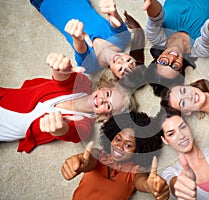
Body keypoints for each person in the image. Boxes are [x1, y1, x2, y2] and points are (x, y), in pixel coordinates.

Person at [0, 53, 135, 153]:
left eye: (108, 105)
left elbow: (70, 133)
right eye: (107, 94)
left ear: (107, 115)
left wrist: (60, 129)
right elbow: (61, 78)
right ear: (104, 88)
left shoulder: (84, 125)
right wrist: (60, 67)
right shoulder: (82, 83)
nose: (101, 100)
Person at [61, 112, 170, 200]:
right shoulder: (98, 155)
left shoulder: (134, 171)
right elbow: (87, 162)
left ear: (138, 150)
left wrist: (151, 186)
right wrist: (80, 163)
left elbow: (143, 182)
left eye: (128, 145)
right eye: (118, 139)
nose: (119, 146)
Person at [139, 0, 209, 93]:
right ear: (181, 68)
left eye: (163, 62)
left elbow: (155, 17)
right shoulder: (200, 50)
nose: (172, 58)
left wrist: (151, 3)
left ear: (157, 59)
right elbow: (208, 33)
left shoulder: (155, 37)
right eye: (174, 66)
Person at [30, 0, 145, 79]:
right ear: (132, 57)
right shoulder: (124, 38)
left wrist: (78, 38)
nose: (122, 62)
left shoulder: (89, 66)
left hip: (46, 3)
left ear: (115, 75)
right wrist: (113, 12)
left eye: (122, 70)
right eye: (129, 62)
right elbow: (116, 22)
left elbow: (80, 49)